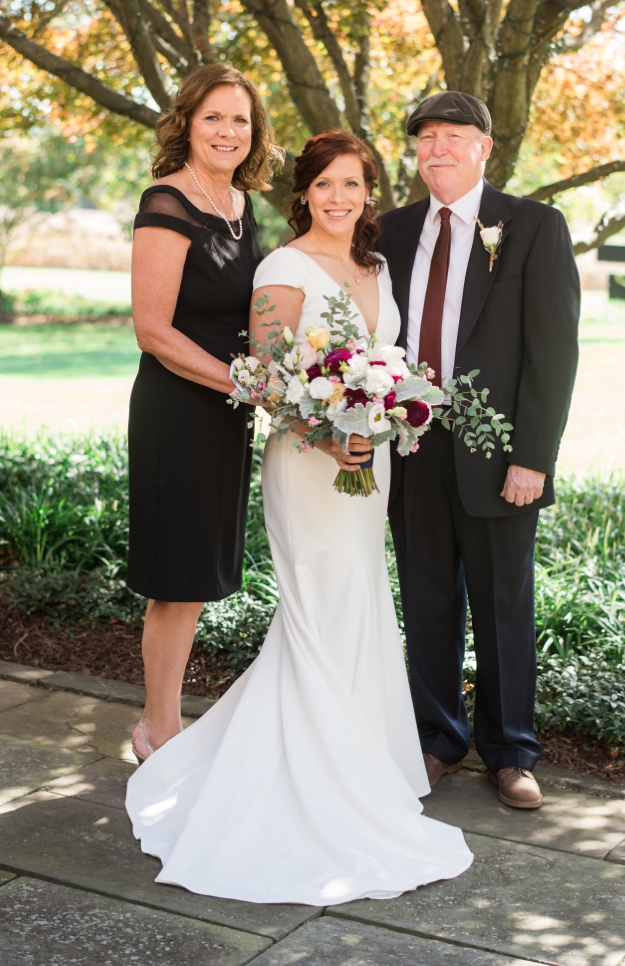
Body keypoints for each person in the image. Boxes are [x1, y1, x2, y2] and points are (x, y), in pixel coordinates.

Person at [125, 131, 474, 905]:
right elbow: (265, 368)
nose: (339, 197)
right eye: (325, 185)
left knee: (358, 602)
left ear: (368, 193)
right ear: (305, 193)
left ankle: (358, 763)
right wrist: (328, 430)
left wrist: (382, 420)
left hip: (368, 460)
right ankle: (306, 778)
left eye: (353, 184)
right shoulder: (280, 268)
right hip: (308, 462)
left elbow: (396, 368)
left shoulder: (381, 269)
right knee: (318, 607)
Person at [378, 92, 580, 810]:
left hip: (499, 457)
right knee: (427, 600)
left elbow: (553, 353)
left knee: (503, 605)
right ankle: (435, 738)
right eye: (425, 137)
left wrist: (533, 455)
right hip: (410, 448)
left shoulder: (532, 226)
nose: (437, 148)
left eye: (452, 136)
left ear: (484, 147)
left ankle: (512, 750)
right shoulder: (392, 231)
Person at [126, 63, 272, 760]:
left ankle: (161, 720)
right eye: (214, 116)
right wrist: (242, 383)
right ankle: (158, 728)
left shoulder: (243, 207)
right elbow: (153, 330)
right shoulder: (168, 202)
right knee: (176, 580)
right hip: (178, 411)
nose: (228, 130)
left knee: (199, 578)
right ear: (186, 122)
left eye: (240, 119)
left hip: (227, 414)